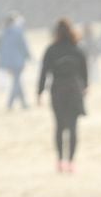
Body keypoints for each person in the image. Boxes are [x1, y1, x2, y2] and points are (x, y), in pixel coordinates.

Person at [36, 18, 89, 174]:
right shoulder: (77, 49)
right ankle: (71, 162)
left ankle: (60, 161)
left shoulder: (51, 50)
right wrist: (85, 86)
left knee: (59, 127)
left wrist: (39, 92)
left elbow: (43, 72)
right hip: (73, 89)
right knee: (73, 127)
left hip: (57, 90)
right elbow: (84, 71)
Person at [0, 15, 32, 111]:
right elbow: (24, 46)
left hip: (7, 62)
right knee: (17, 81)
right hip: (17, 61)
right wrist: (29, 56)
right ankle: (11, 103)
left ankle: (22, 103)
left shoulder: (3, 33)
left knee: (17, 81)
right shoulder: (18, 32)